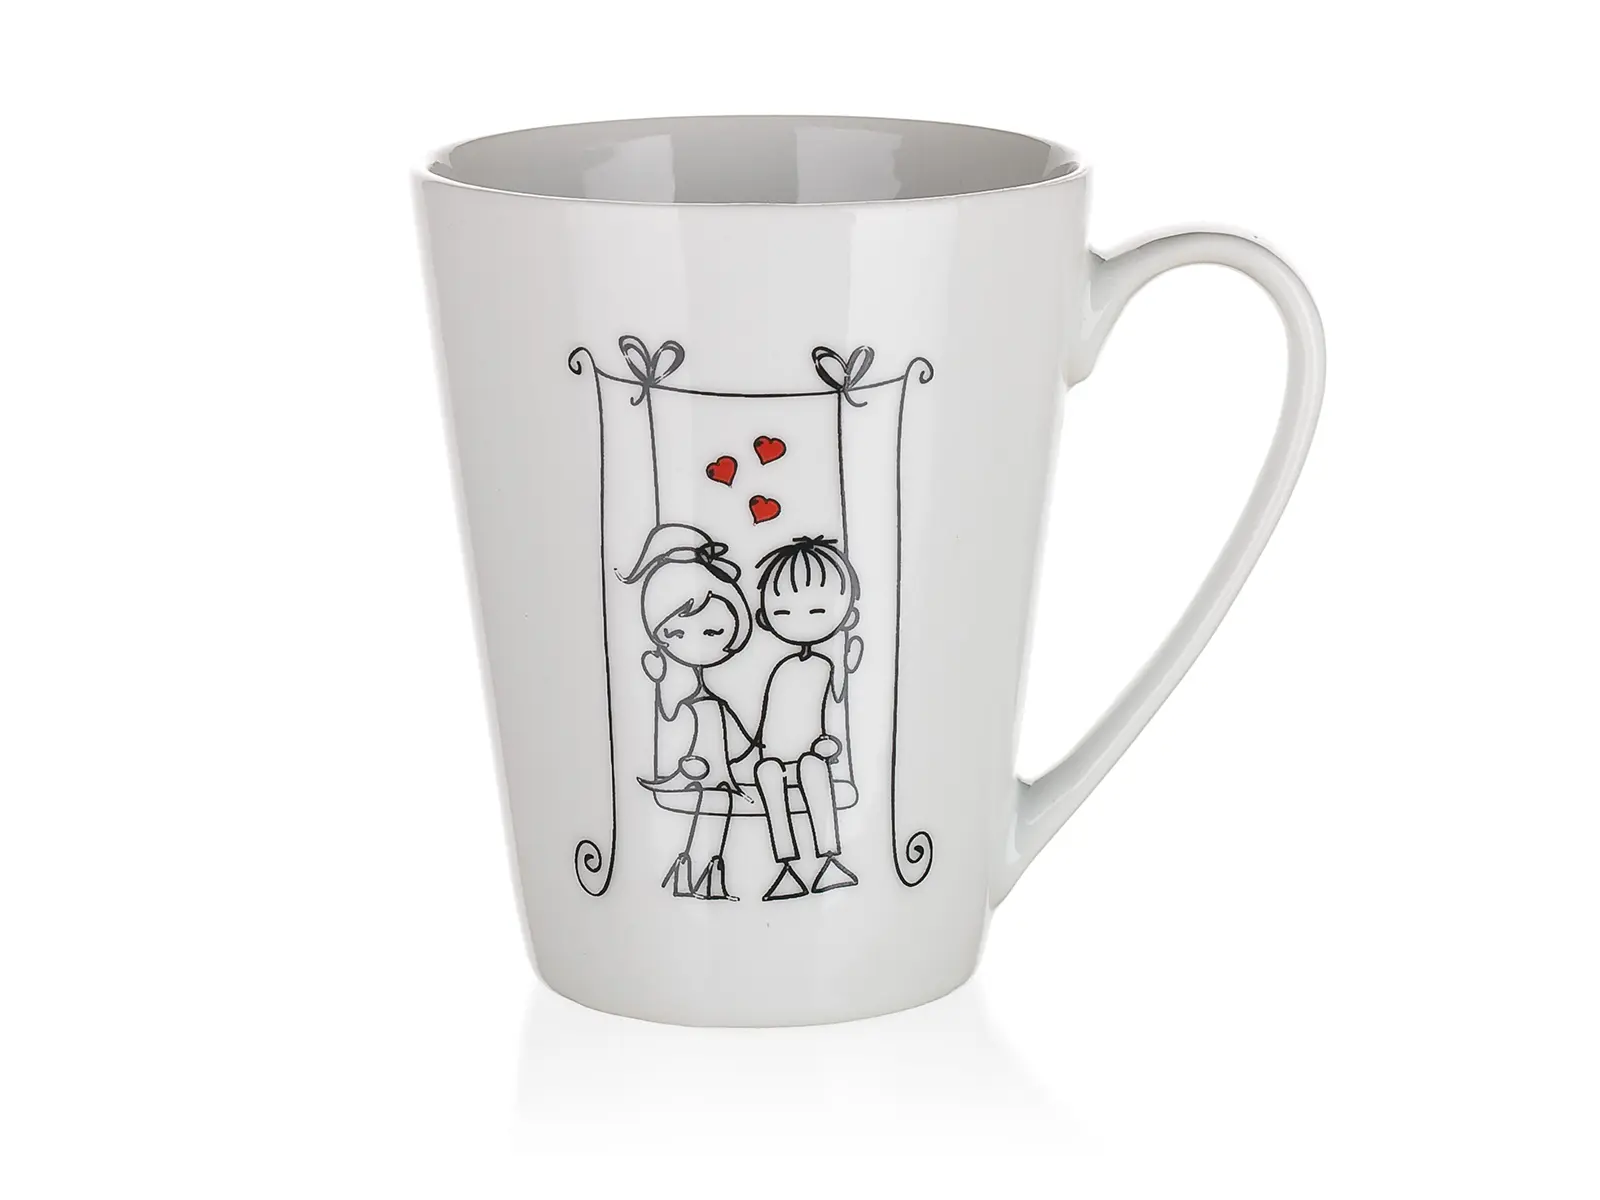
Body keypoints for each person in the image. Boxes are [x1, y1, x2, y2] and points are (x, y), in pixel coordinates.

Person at [620, 523, 756, 901]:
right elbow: (671, 722)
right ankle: (694, 870)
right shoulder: (687, 699)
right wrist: (659, 679)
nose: (696, 643)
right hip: (693, 770)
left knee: (721, 803)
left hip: (719, 775)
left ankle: (701, 872)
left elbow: (743, 743)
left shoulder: (717, 703)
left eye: (713, 632)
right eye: (677, 634)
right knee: (713, 804)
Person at [749, 535, 865, 901]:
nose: (798, 621)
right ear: (766, 617)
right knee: (767, 774)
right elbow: (768, 719)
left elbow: (838, 704)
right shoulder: (781, 669)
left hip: (813, 752)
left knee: (812, 768)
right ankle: (786, 868)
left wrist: (848, 665)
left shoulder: (827, 665)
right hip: (774, 755)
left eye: (817, 611)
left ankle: (829, 859)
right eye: (783, 613)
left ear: (847, 615)